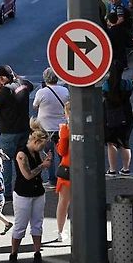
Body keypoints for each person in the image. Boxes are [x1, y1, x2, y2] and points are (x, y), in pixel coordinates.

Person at [10, 124, 51, 263]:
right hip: (23, 194)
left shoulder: (36, 152)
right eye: (42, 145)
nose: (43, 148)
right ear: (35, 142)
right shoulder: (21, 154)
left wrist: (45, 162)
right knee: (20, 225)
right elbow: (27, 175)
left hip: (38, 192)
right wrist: (43, 166)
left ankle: (37, 252)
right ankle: (14, 253)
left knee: (37, 223)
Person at [0, 65, 34, 196]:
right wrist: (15, 77)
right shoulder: (24, 84)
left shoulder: (6, 90)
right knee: (21, 158)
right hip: (23, 129)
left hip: (8, 132)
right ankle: (23, 186)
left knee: (6, 160)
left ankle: (7, 193)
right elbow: (30, 85)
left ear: (2, 78)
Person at [33, 67, 69, 187]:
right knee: (62, 153)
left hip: (45, 127)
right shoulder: (65, 91)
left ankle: (52, 179)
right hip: (61, 127)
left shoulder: (41, 92)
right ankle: (64, 175)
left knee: (49, 154)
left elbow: (35, 106)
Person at [103, 61, 133, 175]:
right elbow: (132, 85)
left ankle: (112, 169)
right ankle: (126, 168)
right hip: (126, 116)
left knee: (111, 143)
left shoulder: (107, 85)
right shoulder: (126, 84)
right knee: (125, 143)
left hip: (110, 117)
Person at [55, 101, 72, 242]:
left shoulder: (66, 128)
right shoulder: (87, 125)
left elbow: (61, 151)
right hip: (84, 169)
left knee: (63, 203)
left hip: (67, 168)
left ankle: (61, 231)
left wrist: (61, 136)